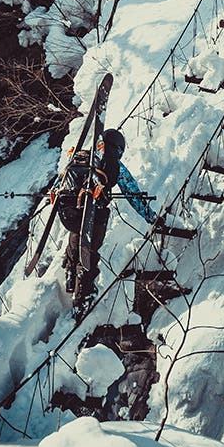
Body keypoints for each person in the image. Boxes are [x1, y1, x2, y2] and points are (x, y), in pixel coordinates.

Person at [56, 128, 157, 312]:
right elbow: (132, 192)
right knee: (89, 249)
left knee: (77, 232)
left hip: (67, 211)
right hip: (94, 214)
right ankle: (83, 296)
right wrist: (151, 217)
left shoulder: (81, 158)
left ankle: (70, 274)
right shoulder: (111, 163)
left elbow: (60, 182)